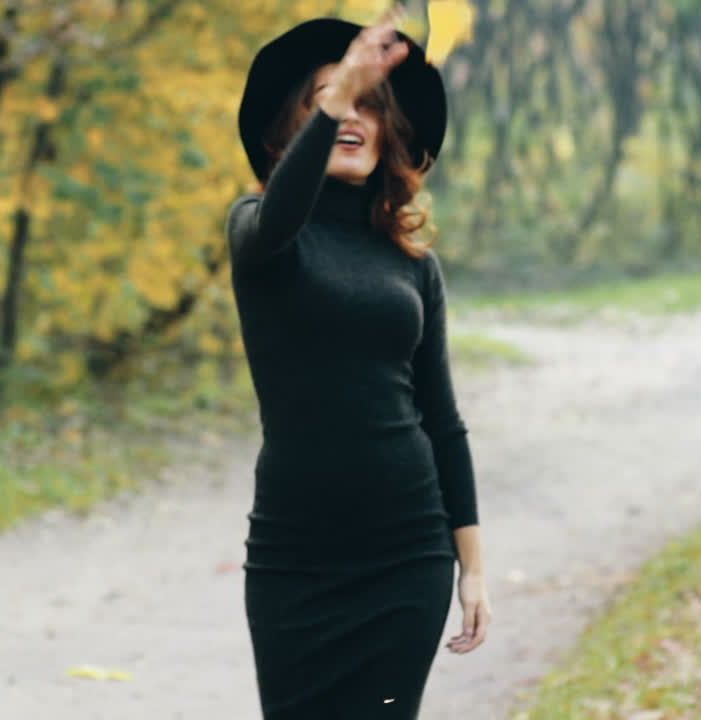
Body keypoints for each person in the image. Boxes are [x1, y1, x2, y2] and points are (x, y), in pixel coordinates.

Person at [226, 9, 492, 720]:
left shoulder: (413, 265)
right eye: (329, 101)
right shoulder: (260, 232)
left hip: (407, 552)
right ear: (290, 128)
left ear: (390, 131)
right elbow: (280, 219)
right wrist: (343, 83)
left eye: (372, 106)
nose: (352, 116)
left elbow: (442, 418)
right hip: (296, 557)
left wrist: (472, 567)